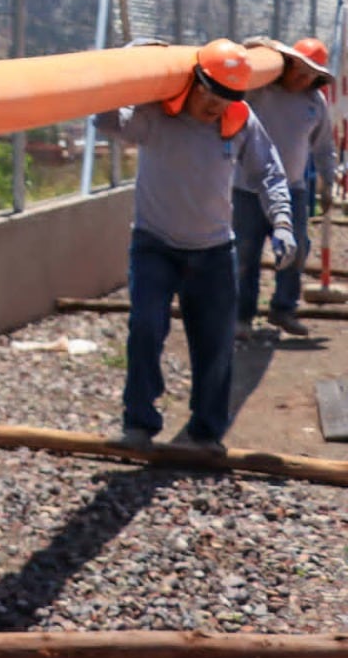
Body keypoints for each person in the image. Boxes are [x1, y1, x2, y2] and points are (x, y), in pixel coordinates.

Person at [96, 38, 294, 453]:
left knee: (217, 342)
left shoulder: (238, 120)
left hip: (214, 251)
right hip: (155, 244)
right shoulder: (155, 114)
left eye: (228, 97)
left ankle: (206, 431)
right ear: (195, 81)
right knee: (145, 327)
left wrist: (282, 222)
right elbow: (107, 120)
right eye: (212, 94)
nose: (217, 106)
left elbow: (270, 173)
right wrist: (127, 60)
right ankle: (140, 422)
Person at [234, 37, 337, 339]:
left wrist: (327, 183)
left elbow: (323, 146)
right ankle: (242, 316)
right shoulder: (260, 92)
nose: (302, 78)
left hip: (293, 189)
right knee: (245, 253)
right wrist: (255, 46)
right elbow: (239, 72)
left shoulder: (314, 103)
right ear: (286, 65)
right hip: (248, 188)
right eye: (298, 70)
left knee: (297, 249)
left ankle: (283, 309)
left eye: (310, 74)